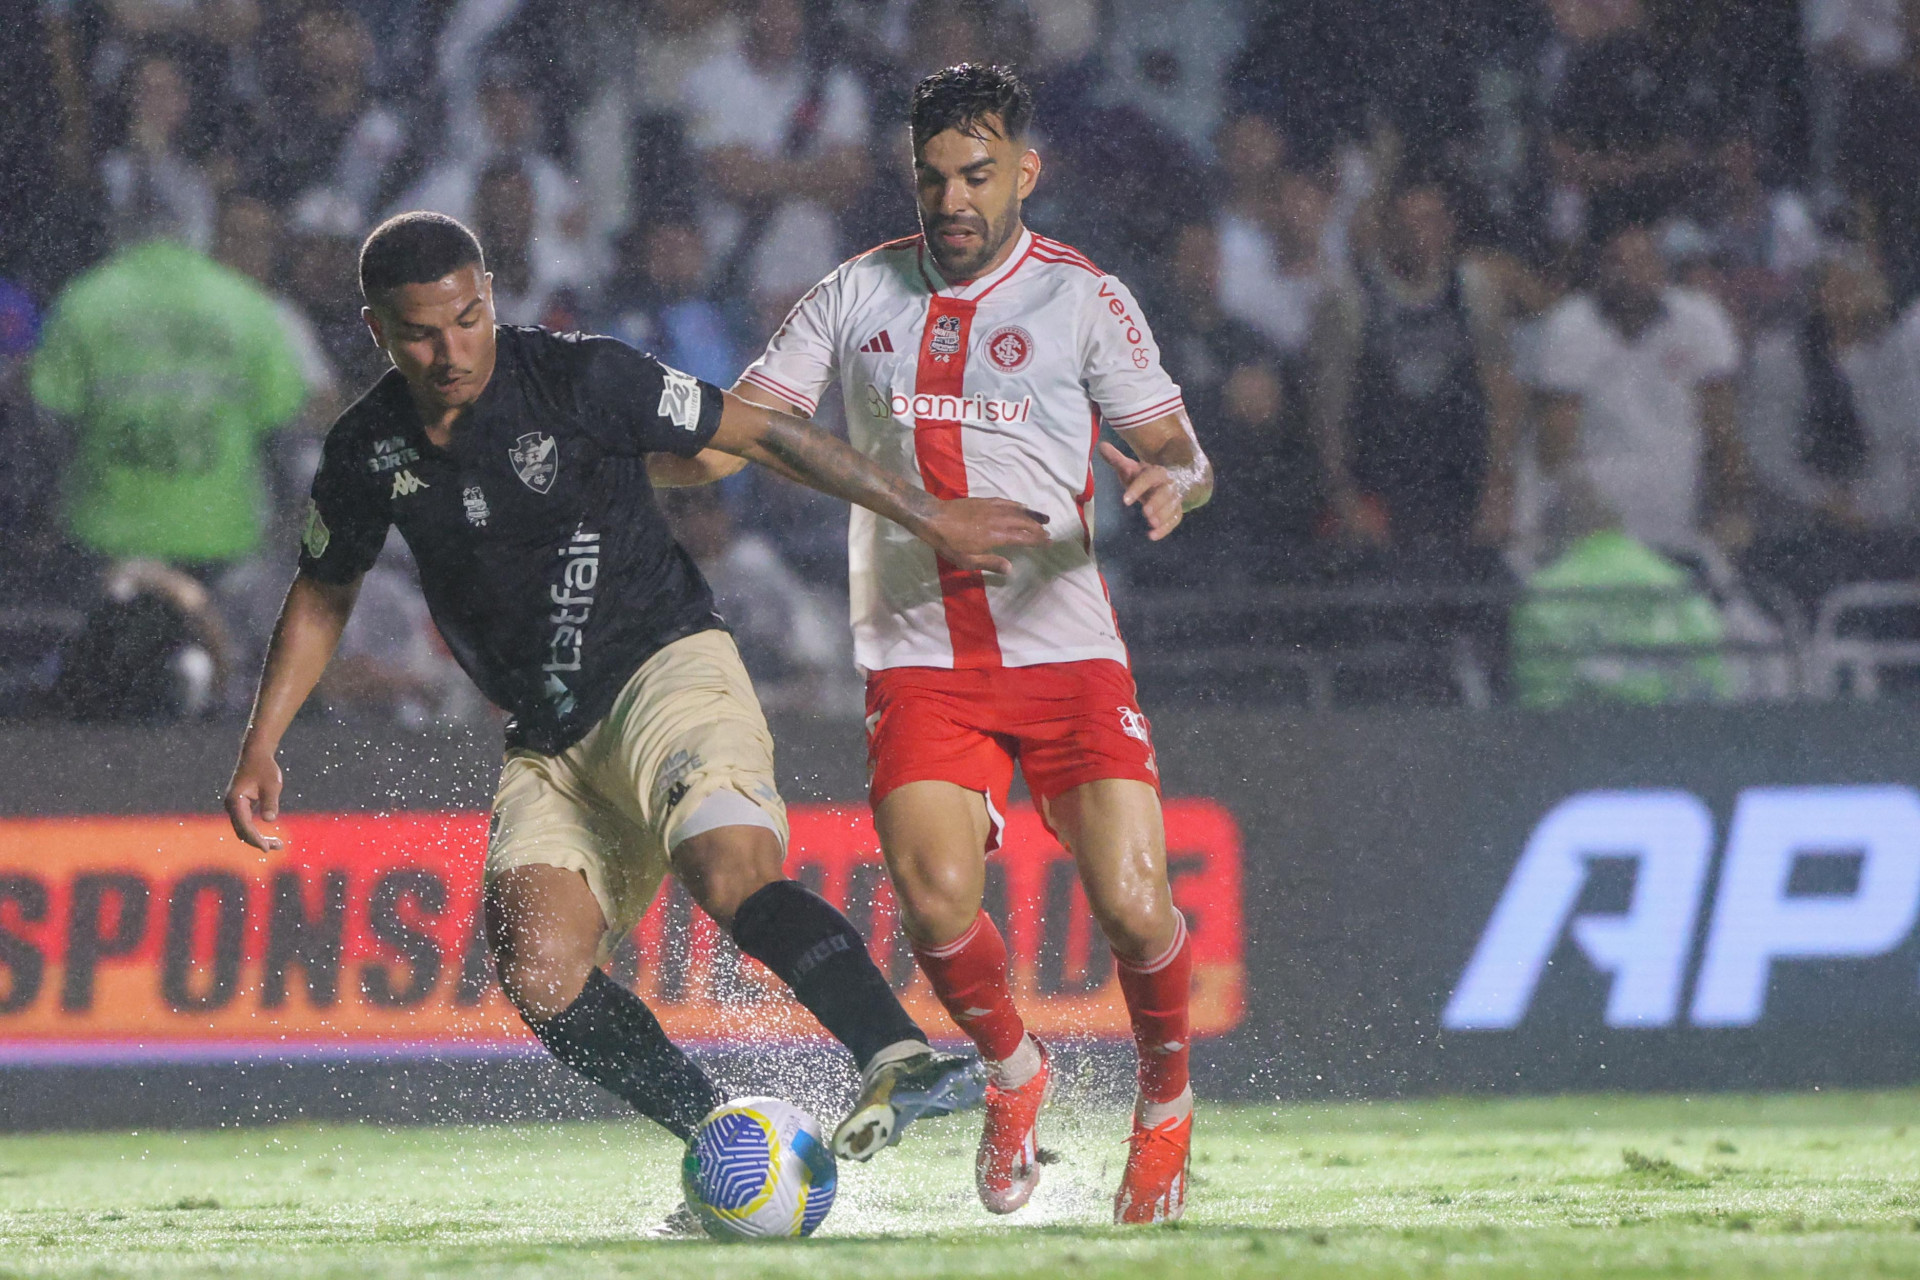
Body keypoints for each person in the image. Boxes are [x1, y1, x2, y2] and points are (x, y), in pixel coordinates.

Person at [221, 213, 1047, 1201]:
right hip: (547, 739)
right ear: (376, 333)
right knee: (538, 969)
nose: (452, 350)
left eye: (470, 318)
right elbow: (322, 591)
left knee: (727, 865)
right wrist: (263, 739)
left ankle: (895, 1052)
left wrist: (927, 512)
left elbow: (763, 432)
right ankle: (724, 1139)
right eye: (422, 334)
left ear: (491, 297)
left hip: (667, 668)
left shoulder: (578, 376)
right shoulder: (365, 448)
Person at [666, 65, 1214, 1224]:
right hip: (919, 655)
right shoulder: (853, 293)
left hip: (1066, 650)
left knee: (1131, 904)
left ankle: (1164, 1104)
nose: (953, 199)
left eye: (977, 174)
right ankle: (1016, 1072)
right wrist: (613, 431)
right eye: (932, 178)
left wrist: (1178, 480)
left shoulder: (1084, 298)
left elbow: (1180, 447)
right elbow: (741, 432)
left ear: (1026, 170)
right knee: (932, 895)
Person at [29, 236, 306, 571]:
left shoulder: (87, 299)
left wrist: (44, 510)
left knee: (110, 624)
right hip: (218, 535)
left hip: (105, 533)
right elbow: (283, 427)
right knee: (209, 624)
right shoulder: (246, 305)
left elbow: (46, 421)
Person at [1528, 221, 1749, 555]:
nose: (1631, 275)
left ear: (1661, 267)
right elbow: (1555, 447)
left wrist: (1733, 509)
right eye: (1619, 263)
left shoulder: (1702, 319)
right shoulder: (1569, 326)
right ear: (1600, 270)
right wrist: (1584, 515)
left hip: (1681, 519)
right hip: (1594, 533)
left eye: (1643, 262)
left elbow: (1723, 430)